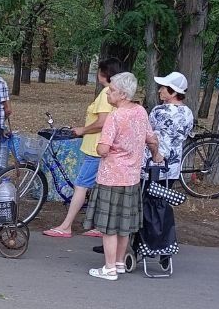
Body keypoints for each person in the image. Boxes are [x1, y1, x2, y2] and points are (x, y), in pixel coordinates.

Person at [42, 57, 121, 239]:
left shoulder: (106, 94)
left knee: (81, 186)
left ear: (104, 73)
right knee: (100, 187)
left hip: (96, 148)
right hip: (99, 146)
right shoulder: (113, 93)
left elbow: (102, 122)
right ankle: (103, 226)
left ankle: (66, 225)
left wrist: (81, 130)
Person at [83, 72, 149, 280]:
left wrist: (102, 145)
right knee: (124, 224)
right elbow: (150, 136)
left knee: (109, 225)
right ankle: (119, 262)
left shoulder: (114, 117)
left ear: (122, 94)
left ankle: (109, 268)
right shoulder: (140, 112)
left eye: (112, 90)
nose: (109, 93)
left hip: (112, 176)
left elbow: (103, 149)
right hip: (132, 176)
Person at [145, 71, 194, 183]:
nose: (159, 90)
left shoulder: (159, 111)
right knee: (163, 199)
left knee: (147, 199)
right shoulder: (188, 113)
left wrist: (156, 154)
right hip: (171, 167)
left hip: (151, 166)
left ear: (173, 93)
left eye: (163, 88)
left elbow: (148, 134)